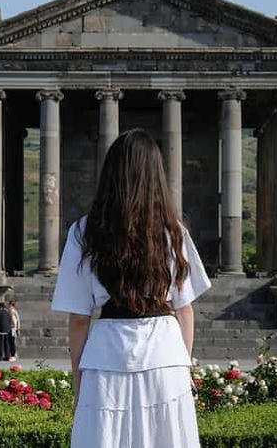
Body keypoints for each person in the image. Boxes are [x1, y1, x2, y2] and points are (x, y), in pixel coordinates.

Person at [51, 129, 211, 448]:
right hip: (165, 352)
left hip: (107, 352)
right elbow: (184, 308)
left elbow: (80, 317)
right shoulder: (173, 231)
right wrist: (185, 364)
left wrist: (78, 378)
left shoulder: (84, 231)